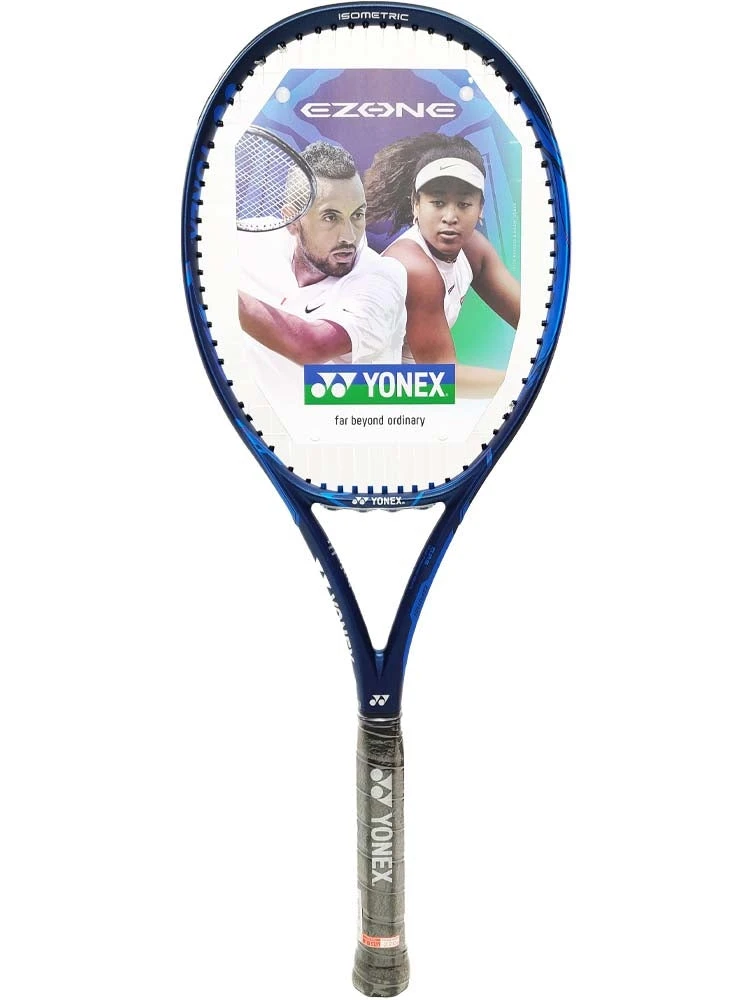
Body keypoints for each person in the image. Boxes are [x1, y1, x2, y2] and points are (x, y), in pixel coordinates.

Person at [364, 134, 520, 398]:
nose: (450, 217)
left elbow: (534, 320)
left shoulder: (472, 248)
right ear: (415, 205)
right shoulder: (413, 267)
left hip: (408, 395)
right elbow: (443, 379)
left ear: (480, 208)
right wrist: (533, 381)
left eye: (464, 204)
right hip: (356, 397)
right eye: (437, 203)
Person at [237, 141, 406, 370]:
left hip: (350, 396)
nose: (349, 236)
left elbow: (311, 347)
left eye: (357, 215)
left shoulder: (382, 278)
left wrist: (223, 291)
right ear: (292, 220)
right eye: (330, 217)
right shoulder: (248, 241)